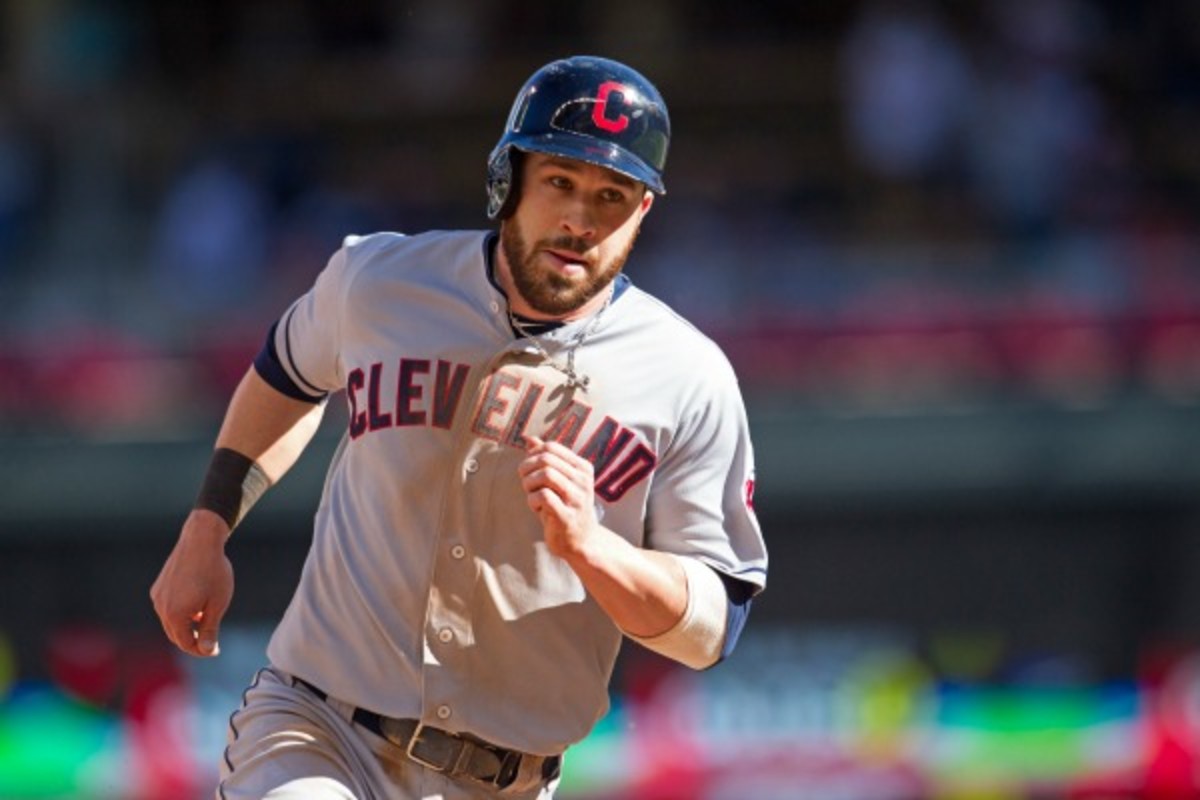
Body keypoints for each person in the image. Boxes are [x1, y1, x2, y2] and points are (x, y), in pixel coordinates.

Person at [151, 55, 768, 800]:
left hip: (506, 781)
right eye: (560, 183)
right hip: (320, 729)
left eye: (612, 195)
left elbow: (712, 626)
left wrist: (595, 550)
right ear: (507, 181)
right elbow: (286, 374)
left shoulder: (687, 375)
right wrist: (206, 528)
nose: (580, 219)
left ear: (641, 213)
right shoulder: (379, 281)